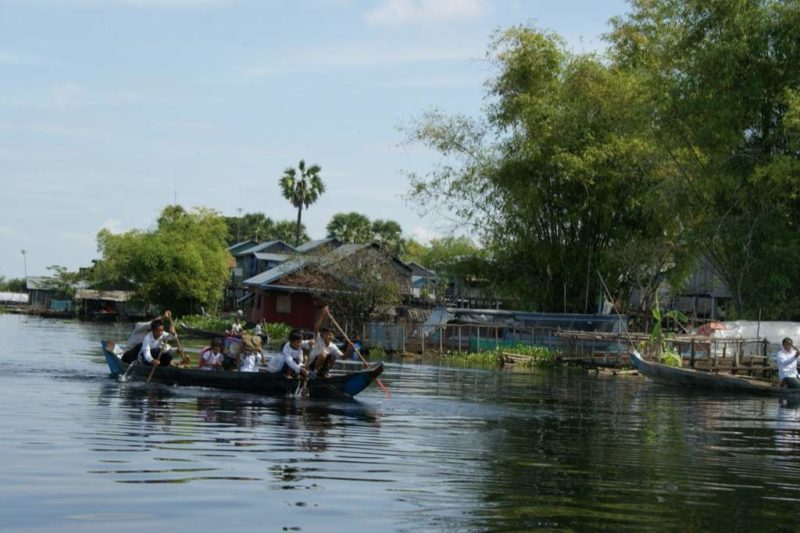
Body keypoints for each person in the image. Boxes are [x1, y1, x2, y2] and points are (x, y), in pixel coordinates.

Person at [308, 306, 349, 377]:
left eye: (330, 335)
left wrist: (349, 348)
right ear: (323, 335)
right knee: (323, 354)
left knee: (333, 356)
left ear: (333, 336)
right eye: (326, 334)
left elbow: (343, 357)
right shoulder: (319, 340)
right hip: (312, 365)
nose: (328, 336)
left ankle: (323, 372)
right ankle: (314, 371)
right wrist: (323, 314)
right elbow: (316, 328)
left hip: (322, 366)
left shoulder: (333, 346)